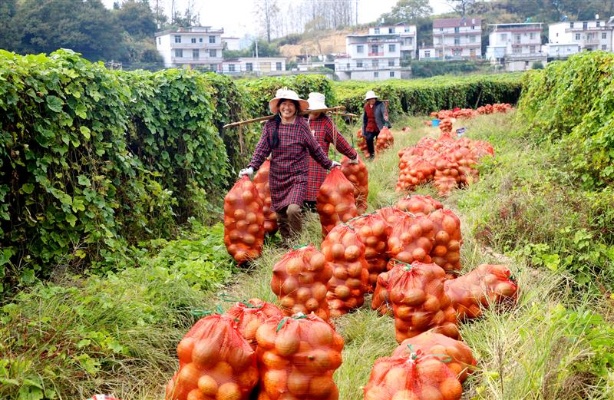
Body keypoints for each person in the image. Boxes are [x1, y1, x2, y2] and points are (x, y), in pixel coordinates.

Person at [239, 88, 341, 245]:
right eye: (283, 104)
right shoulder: (271, 126)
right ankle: (288, 244)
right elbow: (261, 149)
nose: (287, 108)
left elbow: (315, 148)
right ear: (279, 106)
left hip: (297, 176)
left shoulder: (301, 125)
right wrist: (252, 168)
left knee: (293, 210)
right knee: (280, 215)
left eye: (290, 105)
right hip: (277, 177)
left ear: (296, 107)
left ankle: (299, 243)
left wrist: (329, 163)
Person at [304, 92, 359, 211]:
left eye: (318, 110)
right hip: (298, 169)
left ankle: (313, 225)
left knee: (316, 202)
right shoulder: (300, 120)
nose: (315, 112)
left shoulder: (325, 122)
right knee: (298, 203)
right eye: (313, 109)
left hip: (317, 168)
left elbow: (338, 140)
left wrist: (353, 155)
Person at [362, 90, 390, 161]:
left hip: (379, 126)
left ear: (375, 98)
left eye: (373, 98)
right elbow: (365, 119)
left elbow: (385, 114)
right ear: (368, 100)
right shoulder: (366, 107)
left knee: (379, 141)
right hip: (370, 126)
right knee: (368, 139)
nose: (372, 100)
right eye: (370, 99)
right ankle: (372, 155)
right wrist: (364, 130)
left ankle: (380, 155)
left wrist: (386, 124)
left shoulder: (380, 105)